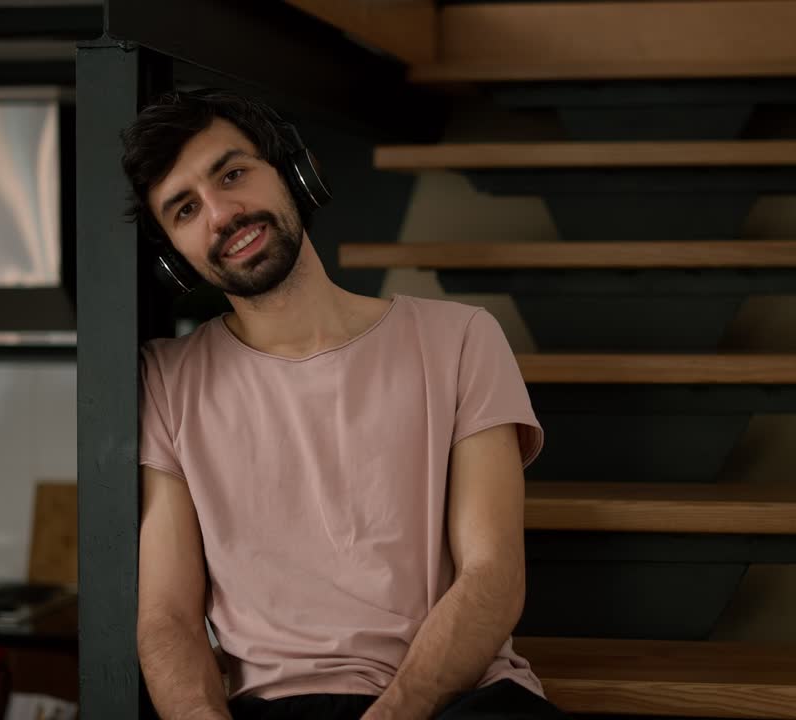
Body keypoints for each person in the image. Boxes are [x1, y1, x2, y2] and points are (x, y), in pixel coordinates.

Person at [121, 89, 568, 720]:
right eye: (186, 208)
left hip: (451, 699)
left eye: (233, 174)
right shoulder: (166, 382)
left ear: (295, 173)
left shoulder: (462, 338)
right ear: (175, 256)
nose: (221, 213)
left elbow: (492, 578)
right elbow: (167, 618)